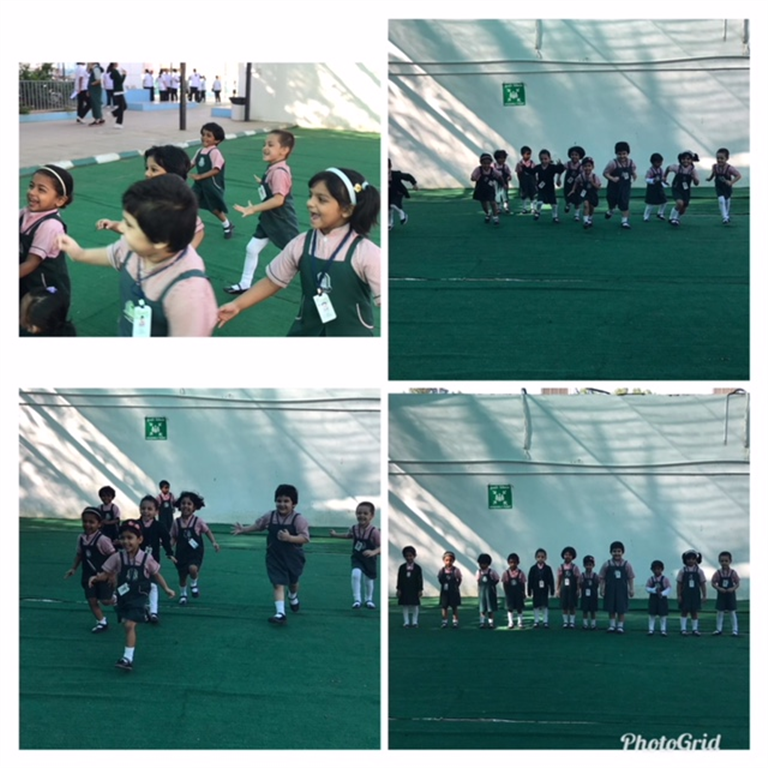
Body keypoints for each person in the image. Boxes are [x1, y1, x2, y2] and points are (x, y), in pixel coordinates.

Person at [218, 167, 381, 336]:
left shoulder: (366, 252)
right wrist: (237, 305)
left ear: (347, 210)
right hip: (305, 332)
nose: (310, 203)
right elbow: (272, 282)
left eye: (321, 199)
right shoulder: (301, 243)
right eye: (311, 195)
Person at [57, 175, 218, 337]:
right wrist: (80, 254)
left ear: (160, 240)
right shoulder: (136, 248)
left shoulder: (189, 294)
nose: (121, 228)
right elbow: (113, 254)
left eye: (129, 225)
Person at [89, 519, 175, 671]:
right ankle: (141, 612)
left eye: (130, 538)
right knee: (122, 619)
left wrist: (166, 588)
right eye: (123, 538)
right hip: (124, 596)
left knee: (129, 625)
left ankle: (127, 658)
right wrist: (96, 578)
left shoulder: (146, 558)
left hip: (139, 596)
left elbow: (156, 574)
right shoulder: (118, 557)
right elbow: (106, 573)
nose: (126, 541)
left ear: (139, 539)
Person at [225, 130, 300, 295]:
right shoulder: (273, 168)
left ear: (284, 150)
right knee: (252, 248)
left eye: (270, 145)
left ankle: (321, 283)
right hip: (269, 219)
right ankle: (245, 283)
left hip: (282, 221)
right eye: (264, 144)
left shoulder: (279, 172)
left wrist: (253, 208)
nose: (265, 148)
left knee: (297, 255)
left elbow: (278, 200)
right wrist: (264, 183)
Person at [96, 145, 205, 249]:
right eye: (147, 168)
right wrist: (113, 225)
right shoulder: (145, 199)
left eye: (154, 170)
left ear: (172, 173)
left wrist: (185, 253)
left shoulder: (178, 204)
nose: (147, 173)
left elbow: (198, 231)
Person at [231, 484, 310, 624]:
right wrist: (244, 530)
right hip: (275, 556)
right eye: (279, 501)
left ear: (294, 504)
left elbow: (305, 538)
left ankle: (293, 596)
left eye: (286, 501)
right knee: (278, 583)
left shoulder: (298, 519)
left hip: (293, 558)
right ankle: (280, 613)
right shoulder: (270, 516)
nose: (282, 504)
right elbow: (259, 526)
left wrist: (290, 538)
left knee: (293, 582)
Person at [19, 165, 74, 330]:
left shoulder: (50, 225)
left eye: (41, 190)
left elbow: (32, 263)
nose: (32, 192)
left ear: (60, 200)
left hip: (44, 289)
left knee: (39, 325)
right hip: (26, 281)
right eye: (31, 186)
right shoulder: (25, 213)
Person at [63, 507, 116, 633]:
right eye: (85, 521)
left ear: (99, 524)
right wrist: (73, 568)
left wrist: (111, 574)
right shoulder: (81, 538)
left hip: (103, 574)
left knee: (105, 601)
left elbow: (114, 556)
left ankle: (117, 599)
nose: (88, 525)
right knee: (91, 599)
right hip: (88, 575)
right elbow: (79, 554)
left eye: (91, 522)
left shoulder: (102, 540)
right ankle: (101, 621)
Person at [170, 491, 220, 605]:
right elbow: (173, 537)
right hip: (181, 553)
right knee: (182, 576)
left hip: (195, 552)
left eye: (189, 504)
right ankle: (183, 594)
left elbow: (207, 531)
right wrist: (169, 548)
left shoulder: (198, 521)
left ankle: (193, 584)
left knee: (193, 568)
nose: (186, 506)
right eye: (183, 503)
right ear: (179, 506)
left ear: (194, 507)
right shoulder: (176, 523)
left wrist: (214, 542)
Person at [330, 501, 381, 609]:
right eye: (359, 513)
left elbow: (382, 546)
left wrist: (373, 552)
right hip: (357, 557)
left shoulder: (374, 531)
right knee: (355, 574)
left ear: (371, 516)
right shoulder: (354, 528)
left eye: (365, 513)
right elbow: (348, 535)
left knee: (368, 579)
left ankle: (368, 599)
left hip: (369, 560)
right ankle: (357, 599)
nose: (361, 516)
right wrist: (335, 535)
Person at [190, 122, 234, 238]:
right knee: (191, 202)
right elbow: (191, 163)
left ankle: (227, 224)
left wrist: (200, 176)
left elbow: (216, 169)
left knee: (214, 208)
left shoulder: (215, 152)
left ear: (217, 140)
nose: (204, 137)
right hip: (199, 185)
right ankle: (192, 225)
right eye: (203, 134)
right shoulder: (199, 151)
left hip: (212, 185)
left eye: (208, 135)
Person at [138, 495, 176, 623]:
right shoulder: (135, 525)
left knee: (153, 585)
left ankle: (153, 611)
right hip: (136, 560)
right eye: (143, 508)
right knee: (139, 586)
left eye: (150, 509)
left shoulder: (159, 526)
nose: (146, 511)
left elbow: (165, 540)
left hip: (152, 560)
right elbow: (126, 537)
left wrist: (169, 553)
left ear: (156, 511)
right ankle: (143, 610)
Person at [599, 540, 635, 633]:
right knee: (611, 608)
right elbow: (602, 577)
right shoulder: (607, 564)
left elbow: (630, 577)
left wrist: (631, 589)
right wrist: (602, 589)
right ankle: (612, 625)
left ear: (622, 552)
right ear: (611, 552)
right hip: (610, 589)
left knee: (621, 608)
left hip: (622, 590)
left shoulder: (627, 565)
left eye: (619, 551)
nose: (617, 553)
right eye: (614, 551)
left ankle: (620, 626)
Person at [603, 141, 637, 228]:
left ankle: (624, 221)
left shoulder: (631, 162)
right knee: (612, 201)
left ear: (627, 153)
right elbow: (605, 173)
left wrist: (634, 174)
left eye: (624, 153)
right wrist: (612, 178)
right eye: (619, 154)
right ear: (616, 153)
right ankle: (611, 210)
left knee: (624, 202)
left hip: (625, 186)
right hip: (614, 187)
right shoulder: (612, 163)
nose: (622, 156)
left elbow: (632, 170)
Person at [705, 148, 741, 225]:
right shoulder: (715, 166)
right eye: (718, 158)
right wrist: (710, 178)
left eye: (722, 158)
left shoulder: (729, 168)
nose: (719, 160)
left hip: (727, 187)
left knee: (727, 201)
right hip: (719, 186)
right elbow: (714, 173)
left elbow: (738, 176)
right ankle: (724, 217)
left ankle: (727, 216)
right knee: (721, 200)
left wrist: (731, 182)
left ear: (727, 158)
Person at [664, 150, 700, 227]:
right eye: (683, 159)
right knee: (680, 203)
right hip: (677, 188)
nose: (685, 161)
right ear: (680, 160)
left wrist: (694, 178)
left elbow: (697, 183)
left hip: (686, 191)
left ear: (691, 160)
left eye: (688, 159)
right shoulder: (677, 168)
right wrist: (664, 176)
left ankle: (676, 218)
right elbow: (668, 168)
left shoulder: (692, 170)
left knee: (683, 208)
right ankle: (672, 218)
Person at [677, 549, 707, 636]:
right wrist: (679, 595)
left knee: (694, 611)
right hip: (685, 594)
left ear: (696, 560)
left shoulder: (699, 571)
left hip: (695, 594)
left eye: (693, 559)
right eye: (688, 559)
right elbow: (679, 584)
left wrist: (704, 595)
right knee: (684, 611)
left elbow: (702, 584)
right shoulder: (682, 571)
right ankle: (683, 629)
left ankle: (695, 629)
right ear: (685, 560)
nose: (691, 561)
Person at [711, 550, 740, 636]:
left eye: (726, 561)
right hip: (721, 595)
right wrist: (719, 588)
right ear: (719, 561)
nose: (724, 563)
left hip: (730, 594)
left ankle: (735, 630)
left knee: (732, 612)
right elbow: (713, 583)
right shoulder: (718, 573)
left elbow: (737, 583)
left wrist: (733, 588)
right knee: (720, 612)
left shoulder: (733, 573)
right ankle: (718, 629)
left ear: (730, 561)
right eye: (722, 561)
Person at [533, 149, 565, 223]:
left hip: (550, 188)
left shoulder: (552, 167)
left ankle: (555, 216)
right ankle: (537, 212)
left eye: (545, 159)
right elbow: (532, 172)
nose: (543, 161)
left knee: (554, 204)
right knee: (539, 202)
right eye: (541, 159)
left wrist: (560, 165)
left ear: (549, 158)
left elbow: (560, 170)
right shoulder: (538, 167)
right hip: (541, 189)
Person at [470, 152, 503, 226]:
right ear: (481, 163)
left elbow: (499, 176)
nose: (486, 165)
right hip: (481, 189)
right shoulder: (478, 170)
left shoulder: (492, 170)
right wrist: (474, 178)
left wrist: (503, 184)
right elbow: (472, 177)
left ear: (490, 163)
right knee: (484, 204)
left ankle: (495, 217)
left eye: (488, 163)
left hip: (490, 189)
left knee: (493, 203)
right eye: (484, 163)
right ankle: (488, 213)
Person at [569, 156, 601, 229]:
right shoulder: (581, 176)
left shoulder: (594, 177)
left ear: (592, 167)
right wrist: (573, 189)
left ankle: (590, 218)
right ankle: (585, 221)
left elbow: (598, 187)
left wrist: (592, 183)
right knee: (586, 205)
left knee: (591, 207)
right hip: (584, 193)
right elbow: (576, 182)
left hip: (592, 193)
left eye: (589, 166)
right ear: (582, 167)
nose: (587, 168)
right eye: (585, 166)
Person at [396, 545, 423, 628]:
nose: (409, 558)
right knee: (405, 605)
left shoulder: (418, 568)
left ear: (414, 556)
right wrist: (398, 589)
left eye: (410, 556)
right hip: (404, 589)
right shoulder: (402, 568)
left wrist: (420, 589)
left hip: (414, 589)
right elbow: (399, 579)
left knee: (415, 605)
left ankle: (415, 622)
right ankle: (406, 622)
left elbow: (420, 579)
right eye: (407, 556)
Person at [527, 547, 555, 627]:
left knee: (545, 605)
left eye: (542, 557)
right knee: (536, 605)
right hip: (536, 589)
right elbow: (530, 580)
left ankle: (545, 621)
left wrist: (552, 590)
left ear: (545, 558)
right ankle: (536, 621)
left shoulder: (548, 568)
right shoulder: (533, 569)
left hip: (544, 590)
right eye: (538, 557)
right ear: (536, 558)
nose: (540, 558)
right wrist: (529, 590)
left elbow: (551, 580)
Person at [388, 158, 418, 229]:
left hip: (398, 192)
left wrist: (414, 184)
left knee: (393, 204)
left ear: (390, 167)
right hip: (389, 194)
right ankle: (389, 223)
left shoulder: (396, 174)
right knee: (388, 209)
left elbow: (408, 176)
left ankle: (402, 214)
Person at [645, 560, 672, 636]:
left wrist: (662, 593)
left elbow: (669, 588)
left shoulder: (665, 579)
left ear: (662, 569)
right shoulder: (651, 579)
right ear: (652, 570)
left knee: (663, 615)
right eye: (655, 569)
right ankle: (651, 629)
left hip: (662, 599)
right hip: (653, 599)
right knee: (652, 614)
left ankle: (663, 630)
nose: (657, 571)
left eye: (658, 569)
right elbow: (647, 588)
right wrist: (653, 590)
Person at [556, 546, 580, 628]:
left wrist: (578, 589)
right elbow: (559, 579)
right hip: (564, 589)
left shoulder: (575, 567)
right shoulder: (561, 567)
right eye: (566, 554)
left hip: (572, 589)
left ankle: (572, 622)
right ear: (563, 556)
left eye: (569, 555)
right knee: (564, 606)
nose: (567, 556)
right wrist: (558, 589)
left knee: (572, 606)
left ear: (573, 556)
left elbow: (578, 579)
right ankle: (565, 622)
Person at [501, 552, 526, 629]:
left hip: (518, 593)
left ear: (518, 562)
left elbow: (522, 583)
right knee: (510, 609)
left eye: (514, 562)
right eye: (511, 562)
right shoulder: (506, 573)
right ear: (508, 563)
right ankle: (510, 622)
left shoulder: (521, 573)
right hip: (510, 594)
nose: (513, 564)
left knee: (519, 608)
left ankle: (520, 622)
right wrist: (506, 593)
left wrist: (523, 592)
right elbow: (504, 583)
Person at [437, 551, 462, 628]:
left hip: (453, 592)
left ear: (453, 560)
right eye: (446, 560)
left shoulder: (456, 570)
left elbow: (459, 579)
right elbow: (440, 578)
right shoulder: (442, 570)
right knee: (444, 607)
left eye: (450, 560)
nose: (448, 562)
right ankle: (444, 621)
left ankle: (455, 622)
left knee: (454, 607)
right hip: (444, 592)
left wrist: (456, 586)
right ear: (444, 560)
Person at [476, 553, 500, 629]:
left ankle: (491, 622)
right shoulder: (478, 572)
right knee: (482, 609)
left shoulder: (492, 572)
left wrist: (492, 586)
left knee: (490, 609)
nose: (482, 565)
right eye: (480, 564)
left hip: (490, 593)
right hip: (482, 593)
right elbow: (478, 581)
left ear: (488, 564)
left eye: (484, 563)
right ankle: (482, 622)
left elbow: (497, 579)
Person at [643, 153, 668, 221]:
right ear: (653, 162)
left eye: (661, 162)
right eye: (658, 162)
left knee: (664, 201)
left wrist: (664, 181)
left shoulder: (661, 170)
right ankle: (646, 216)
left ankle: (660, 213)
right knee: (650, 203)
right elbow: (646, 179)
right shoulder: (650, 170)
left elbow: (662, 178)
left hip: (659, 188)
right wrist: (653, 180)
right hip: (652, 189)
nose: (660, 164)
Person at [563, 146, 585, 220]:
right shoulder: (567, 164)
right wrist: (558, 179)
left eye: (576, 155)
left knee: (577, 200)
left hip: (577, 185)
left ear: (580, 156)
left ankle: (576, 215)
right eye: (572, 155)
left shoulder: (581, 166)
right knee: (567, 196)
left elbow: (583, 175)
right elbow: (561, 170)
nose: (574, 156)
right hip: (568, 184)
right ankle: (568, 204)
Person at [515, 145, 537, 214]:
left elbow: (535, 172)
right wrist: (520, 180)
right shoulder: (519, 164)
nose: (529, 155)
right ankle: (524, 208)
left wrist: (535, 181)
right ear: (522, 154)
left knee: (532, 195)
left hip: (531, 182)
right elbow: (518, 172)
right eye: (527, 154)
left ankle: (533, 208)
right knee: (523, 195)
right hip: (523, 181)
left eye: (530, 154)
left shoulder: (532, 163)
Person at [579, 555, 599, 629]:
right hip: (585, 596)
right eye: (587, 565)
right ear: (584, 565)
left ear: (593, 565)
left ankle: (593, 624)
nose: (588, 567)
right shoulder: (582, 575)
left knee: (593, 611)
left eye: (590, 565)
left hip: (593, 596)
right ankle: (585, 624)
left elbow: (597, 584)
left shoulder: (595, 575)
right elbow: (580, 584)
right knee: (585, 610)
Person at [493, 149, 513, 215]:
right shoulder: (493, 166)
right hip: (496, 183)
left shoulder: (505, 166)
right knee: (497, 195)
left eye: (504, 158)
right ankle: (499, 208)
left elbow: (509, 174)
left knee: (505, 195)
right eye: (500, 158)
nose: (502, 160)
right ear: (496, 158)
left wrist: (509, 177)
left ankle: (506, 207)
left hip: (504, 183)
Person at [106, 63, 127, 129]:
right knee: (121, 107)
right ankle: (118, 123)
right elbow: (120, 81)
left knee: (124, 106)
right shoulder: (115, 71)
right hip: (118, 91)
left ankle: (113, 114)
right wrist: (124, 75)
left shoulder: (113, 71)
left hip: (117, 91)